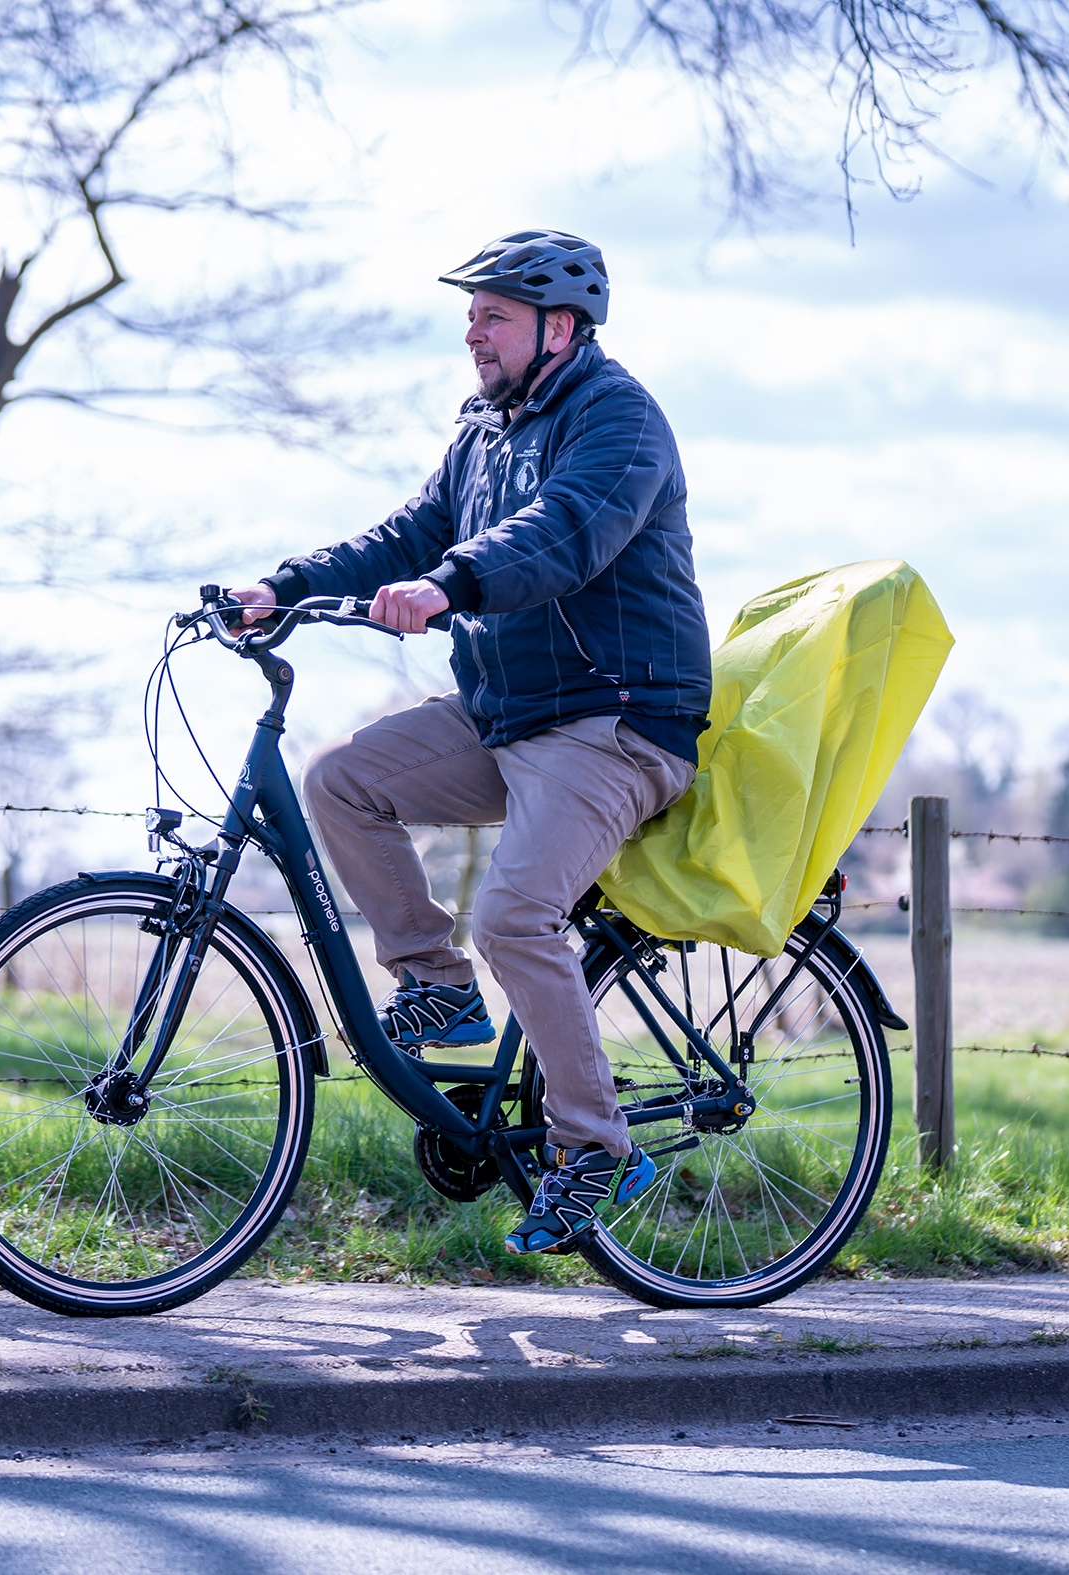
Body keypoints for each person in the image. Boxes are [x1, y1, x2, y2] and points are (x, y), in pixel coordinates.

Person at [228, 229, 711, 1255]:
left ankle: (594, 1148)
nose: (472, 331)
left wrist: (450, 586)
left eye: (492, 314)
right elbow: (412, 529)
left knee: (514, 915)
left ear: (559, 327)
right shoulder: (484, 427)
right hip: (509, 711)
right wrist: (287, 584)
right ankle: (437, 992)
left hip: (614, 721)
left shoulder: (619, 420)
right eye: (473, 313)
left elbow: (564, 531)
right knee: (344, 780)